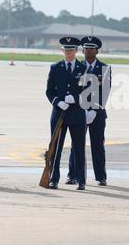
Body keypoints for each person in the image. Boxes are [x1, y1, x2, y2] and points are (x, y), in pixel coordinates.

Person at [66, 36, 111, 186]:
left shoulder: (105, 68)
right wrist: (82, 109)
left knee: (97, 144)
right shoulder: (77, 67)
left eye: (92, 48)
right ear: (82, 50)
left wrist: (94, 110)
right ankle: (72, 175)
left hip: (97, 113)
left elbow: (105, 92)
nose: (89, 50)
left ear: (97, 51)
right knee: (76, 145)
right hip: (78, 111)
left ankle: (101, 176)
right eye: (87, 48)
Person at [45, 37, 88, 190]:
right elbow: (49, 91)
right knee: (55, 149)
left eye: (71, 49)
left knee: (79, 149)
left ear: (76, 50)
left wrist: (75, 99)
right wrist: (58, 102)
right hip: (59, 113)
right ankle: (53, 179)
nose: (68, 52)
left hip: (77, 114)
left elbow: (89, 94)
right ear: (62, 50)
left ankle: (81, 180)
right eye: (66, 49)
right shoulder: (55, 67)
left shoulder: (83, 69)